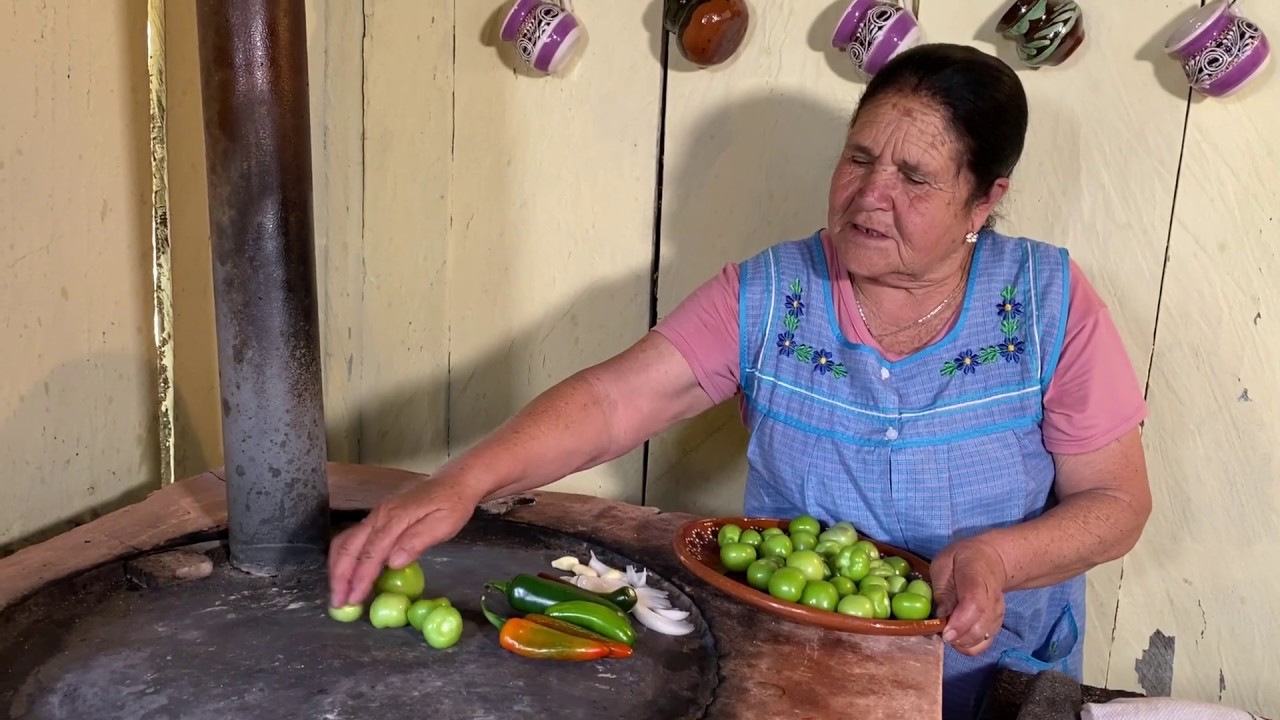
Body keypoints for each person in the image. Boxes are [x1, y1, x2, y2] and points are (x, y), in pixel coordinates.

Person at [327, 43, 1151, 718]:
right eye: (859, 158)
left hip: (992, 680)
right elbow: (621, 398)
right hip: (800, 673)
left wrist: (997, 559)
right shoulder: (772, 293)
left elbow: (1116, 503)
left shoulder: (1045, 301)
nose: (871, 195)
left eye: (915, 178)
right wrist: (463, 481)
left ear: (984, 200)